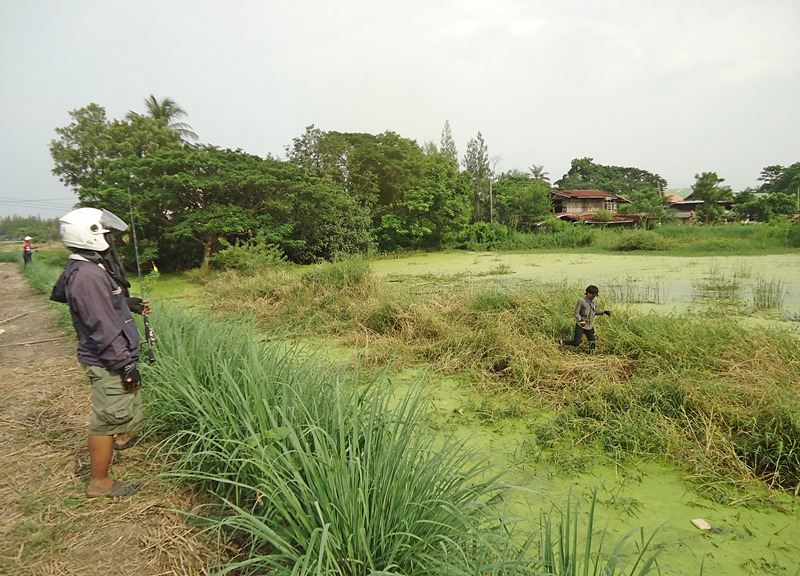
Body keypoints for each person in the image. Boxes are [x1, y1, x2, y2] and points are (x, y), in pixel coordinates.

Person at [50, 207, 149, 498]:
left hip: (110, 355)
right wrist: (125, 364)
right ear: (89, 234)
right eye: (104, 232)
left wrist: (124, 303)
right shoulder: (88, 275)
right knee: (106, 418)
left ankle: (121, 439)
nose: (109, 237)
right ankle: (100, 482)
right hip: (108, 359)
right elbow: (102, 326)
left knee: (120, 408)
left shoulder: (85, 267)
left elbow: (94, 305)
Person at [559, 284, 611, 354]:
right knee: (576, 342)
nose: (593, 297)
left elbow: (594, 311)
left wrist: (604, 312)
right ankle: (564, 340)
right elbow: (576, 313)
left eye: (595, 296)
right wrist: (580, 320)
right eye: (592, 295)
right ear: (588, 293)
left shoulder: (594, 301)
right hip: (581, 325)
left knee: (592, 342)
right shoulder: (581, 301)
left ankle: (589, 354)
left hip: (589, 325)